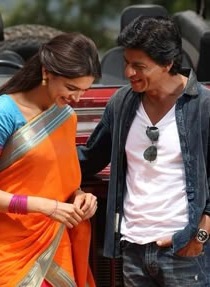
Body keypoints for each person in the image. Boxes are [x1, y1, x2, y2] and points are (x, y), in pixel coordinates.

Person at [77, 15, 210, 287]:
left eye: (139, 66)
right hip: (133, 248)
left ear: (168, 63)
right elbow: (90, 158)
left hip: (184, 250)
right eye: (126, 63)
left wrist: (200, 236)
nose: (128, 73)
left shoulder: (204, 106)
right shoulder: (121, 103)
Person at [0, 31, 101, 287]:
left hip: (57, 247)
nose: (76, 99)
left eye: (84, 90)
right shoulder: (3, 113)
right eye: (71, 88)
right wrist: (46, 207)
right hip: (8, 254)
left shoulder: (66, 116)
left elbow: (61, 183)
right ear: (47, 73)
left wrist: (81, 198)